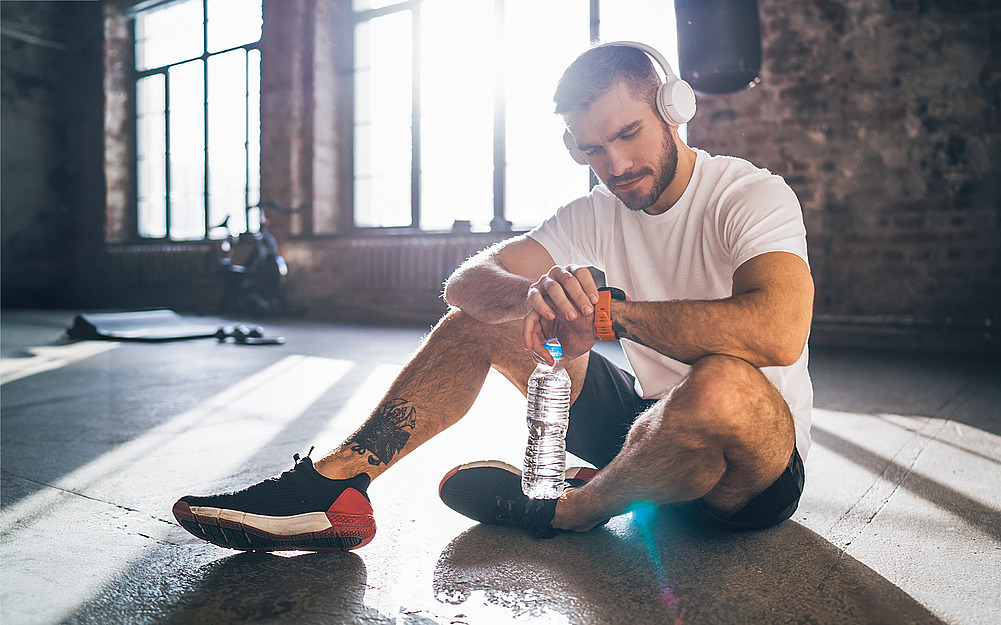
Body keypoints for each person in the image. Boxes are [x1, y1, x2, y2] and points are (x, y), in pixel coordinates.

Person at [172, 42, 813, 552]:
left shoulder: (749, 196)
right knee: (476, 319)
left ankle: (569, 511)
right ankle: (337, 485)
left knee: (722, 384)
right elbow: (467, 283)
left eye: (629, 133)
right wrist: (537, 294)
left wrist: (603, 314)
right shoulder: (593, 212)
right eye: (593, 148)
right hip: (644, 423)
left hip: (748, 470)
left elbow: (778, 332)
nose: (616, 164)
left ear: (673, 110)